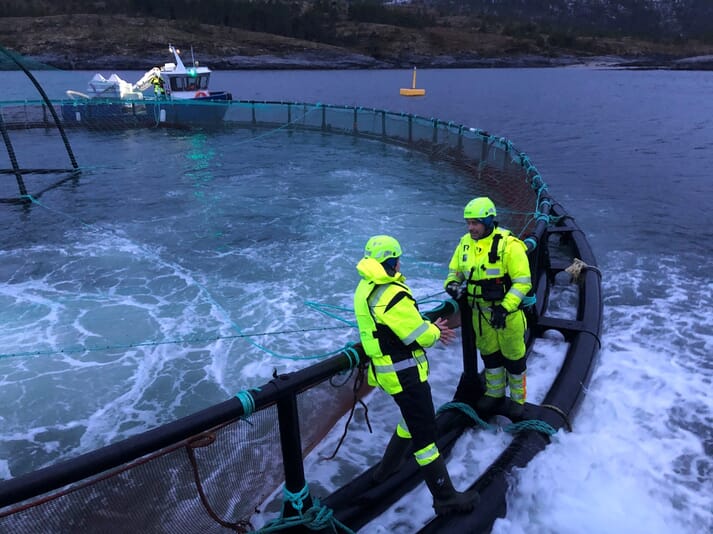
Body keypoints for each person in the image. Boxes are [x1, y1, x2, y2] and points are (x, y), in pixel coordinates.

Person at [354, 235, 479, 516]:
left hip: (387, 371)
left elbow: (396, 325)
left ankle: (386, 470)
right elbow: (418, 335)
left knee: (410, 418)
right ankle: (445, 496)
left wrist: (423, 325)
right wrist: (435, 330)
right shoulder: (392, 294)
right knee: (425, 436)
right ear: (392, 261)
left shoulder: (366, 287)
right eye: (397, 259)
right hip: (404, 373)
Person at [444, 197, 532, 418]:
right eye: (468, 223)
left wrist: (505, 308)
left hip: (507, 315)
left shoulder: (508, 245)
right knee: (490, 356)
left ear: (489, 221)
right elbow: (455, 272)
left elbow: (523, 282)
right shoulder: (465, 243)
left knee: (514, 358)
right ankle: (494, 394)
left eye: (475, 223)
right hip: (479, 315)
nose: (470, 228)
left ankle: (518, 399)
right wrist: (452, 285)